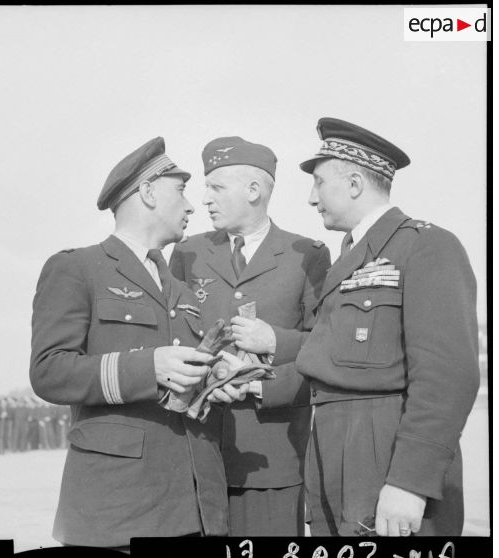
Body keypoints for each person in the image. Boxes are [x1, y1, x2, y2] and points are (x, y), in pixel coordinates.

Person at [30, 137, 248, 551]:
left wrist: (216, 379)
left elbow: (183, 384)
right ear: (147, 191)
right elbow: (49, 372)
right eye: (180, 190)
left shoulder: (182, 291)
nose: (191, 206)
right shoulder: (76, 268)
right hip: (118, 509)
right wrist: (149, 368)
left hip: (195, 503)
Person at [294, 117, 480, 536]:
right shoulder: (349, 254)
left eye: (319, 182)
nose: (310, 197)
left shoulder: (426, 245)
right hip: (335, 451)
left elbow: (448, 377)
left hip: (388, 455)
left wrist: (409, 483)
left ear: (355, 182)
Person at [170, 136, 331, 536]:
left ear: (254, 191)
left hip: (272, 458)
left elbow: (325, 348)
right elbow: (172, 336)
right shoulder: (188, 253)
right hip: (197, 450)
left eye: (217, 188)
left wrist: (272, 343)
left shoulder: (305, 254)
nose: (204, 199)